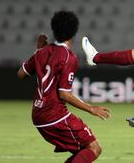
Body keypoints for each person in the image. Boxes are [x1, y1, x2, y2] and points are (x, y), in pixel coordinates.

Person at [17, 11, 111, 163]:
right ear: (74, 31)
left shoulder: (41, 52)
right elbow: (64, 94)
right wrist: (91, 108)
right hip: (54, 115)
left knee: (82, 150)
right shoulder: (68, 56)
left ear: (53, 29)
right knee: (94, 148)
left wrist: (38, 50)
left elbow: (21, 74)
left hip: (38, 114)